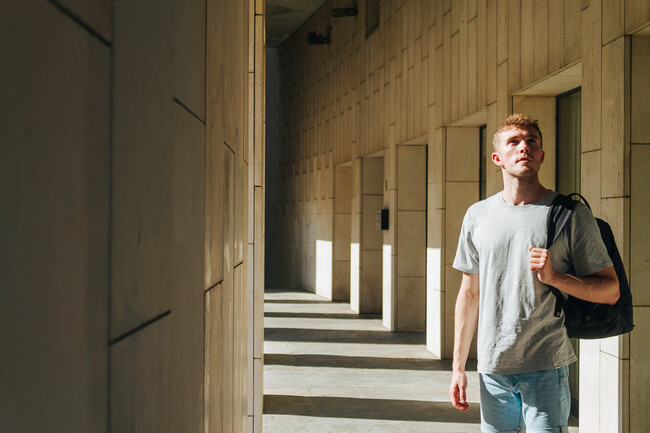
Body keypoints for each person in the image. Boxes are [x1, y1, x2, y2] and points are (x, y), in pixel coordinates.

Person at [448, 113, 620, 432]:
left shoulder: (569, 215)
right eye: (514, 141)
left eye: (531, 141)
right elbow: (469, 295)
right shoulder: (477, 216)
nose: (524, 146)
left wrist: (555, 277)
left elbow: (611, 290)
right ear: (498, 158)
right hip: (492, 368)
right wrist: (458, 367)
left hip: (546, 366)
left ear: (541, 156)